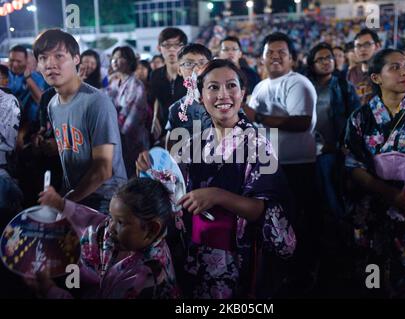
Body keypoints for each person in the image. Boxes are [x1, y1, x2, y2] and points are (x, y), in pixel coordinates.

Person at [137, 59, 296, 299]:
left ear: (243, 93)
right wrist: (151, 167)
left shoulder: (258, 144)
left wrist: (218, 196)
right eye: (212, 87)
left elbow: (263, 209)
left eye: (231, 86)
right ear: (200, 96)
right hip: (196, 252)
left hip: (237, 256)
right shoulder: (192, 144)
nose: (223, 95)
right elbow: (173, 187)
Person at [344, 49, 405, 298]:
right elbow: (354, 165)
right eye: (395, 67)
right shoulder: (361, 118)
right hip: (373, 204)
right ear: (376, 78)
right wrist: (387, 192)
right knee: (372, 274)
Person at [243, 33, 317, 294]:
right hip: (269, 165)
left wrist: (260, 116)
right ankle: (280, 272)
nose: (274, 56)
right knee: (275, 223)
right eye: (269, 52)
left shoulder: (298, 83)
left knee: (298, 222)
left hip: (297, 165)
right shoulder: (261, 87)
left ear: (292, 58)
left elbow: (301, 122)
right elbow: (248, 122)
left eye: (281, 52)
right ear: (261, 57)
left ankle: (302, 276)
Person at [31, 178, 180, 299]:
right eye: (111, 217)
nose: (110, 227)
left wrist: (49, 289)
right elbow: (92, 220)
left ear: (152, 229)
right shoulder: (128, 235)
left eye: (120, 222)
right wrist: (60, 204)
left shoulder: (147, 277)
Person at [33, 29, 127, 213]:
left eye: (59, 56)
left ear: (76, 59)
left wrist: (65, 202)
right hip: (74, 196)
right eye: (43, 58)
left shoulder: (96, 102)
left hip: (105, 200)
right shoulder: (52, 104)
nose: (50, 64)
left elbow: (103, 169)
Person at [305, 42, 361, 219]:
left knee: (334, 199)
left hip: (335, 150)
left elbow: (356, 120)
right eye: (320, 59)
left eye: (328, 57)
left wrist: (345, 146)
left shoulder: (344, 87)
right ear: (312, 64)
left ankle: (341, 237)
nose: (326, 61)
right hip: (308, 151)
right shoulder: (304, 87)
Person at [107, 46, 149, 178]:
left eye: (120, 58)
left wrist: (115, 133)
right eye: (114, 58)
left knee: (131, 174)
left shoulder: (136, 85)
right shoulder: (114, 83)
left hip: (131, 140)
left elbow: (132, 117)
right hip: (115, 137)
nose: (115, 61)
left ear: (129, 61)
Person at [165, 43, 212, 138]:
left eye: (202, 63)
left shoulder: (224, 101)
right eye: (188, 64)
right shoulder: (175, 109)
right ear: (179, 70)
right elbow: (171, 145)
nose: (196, 69)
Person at [148, 28, 188, 140]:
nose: (171, 49)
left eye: (177, 45)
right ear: (159, 48)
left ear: (184, 48)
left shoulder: (191, 75)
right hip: (163, 128)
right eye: (166, 45)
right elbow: (156, 97)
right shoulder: (155, 75)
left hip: (189, 130)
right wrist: (155, 116)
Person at [8, 45, 47, 127]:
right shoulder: (3, 74)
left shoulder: (36, 77)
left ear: (26, 60)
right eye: (12, 60)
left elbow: (41, 101)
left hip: (29, 127)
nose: (14, 64)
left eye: (19, 61)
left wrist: (28, 78)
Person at [347, 29, 382, 105]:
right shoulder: (352, 73)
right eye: (358, 46)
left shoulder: (385, 72)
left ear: (377, 46)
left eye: (367, 45)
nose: (362, 49)